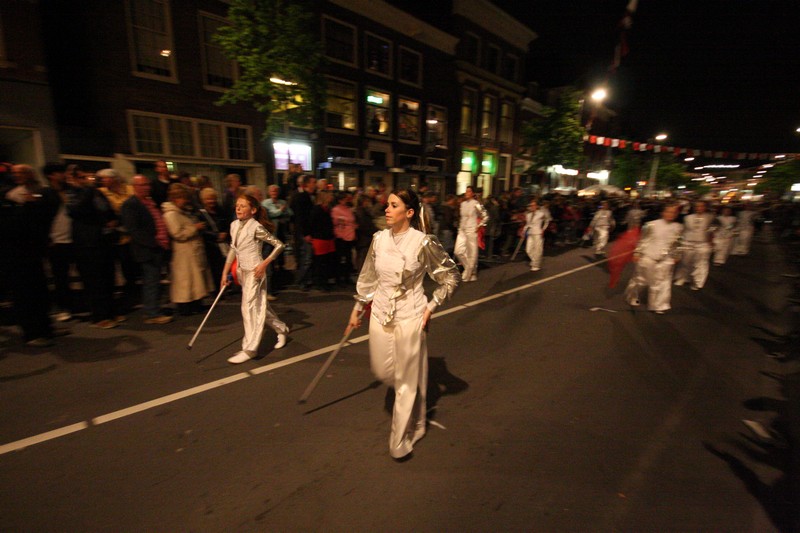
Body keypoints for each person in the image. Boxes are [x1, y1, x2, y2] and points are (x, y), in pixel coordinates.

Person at [347, 188, 459, 460]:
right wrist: (358, 307)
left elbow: (451, 277)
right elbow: (369, 276)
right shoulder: (379, 239)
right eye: (387, 204)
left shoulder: (423, 242)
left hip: (411, 315)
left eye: (393, 205)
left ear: (409, 213)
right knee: (384, 371)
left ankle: (401, 438)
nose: (386, 209)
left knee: (406, 383)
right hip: (380, 313)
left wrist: (431, 307)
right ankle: (415, 404)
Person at [221, 194, 289, 364]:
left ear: (253, 210)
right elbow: (233, 250)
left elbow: (279, 245)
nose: (238, 208)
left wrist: (264, 264)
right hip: (242, 271)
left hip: (255, 272)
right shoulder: (234, 225)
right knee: (259, 307)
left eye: (243, 206)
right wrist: (224, 272)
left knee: (248, 307)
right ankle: (281, 329)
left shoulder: (256, 227)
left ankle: (250, 349)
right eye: (237, 205)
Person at [66, 166, 121, 328]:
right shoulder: (74, 194)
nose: (88, 180)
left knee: (107, 277)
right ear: (74, 179)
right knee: (94, 281)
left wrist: (113, 220)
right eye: (82, 177)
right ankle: (99, 316)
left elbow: (108, 210)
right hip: (87, 244)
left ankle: (110, 312)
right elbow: (75, 211)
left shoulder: (98, 193)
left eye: (89, 177)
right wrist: (88, 190)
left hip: (103, 240)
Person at [120, 175, 173, 324]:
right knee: (151, 281)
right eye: (143, 185)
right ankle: (151, 314)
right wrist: (154, 243)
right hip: (147, 249)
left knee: (155, 281)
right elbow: (134, 230)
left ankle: (154, 308)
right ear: (134, 187)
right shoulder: (131, 204)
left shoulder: (149, 202)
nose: (147, 188)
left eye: (148, 185)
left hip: (158, 247)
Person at [162, 183, 213, 316]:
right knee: (185, 281)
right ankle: (185, 307)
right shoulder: (171, 215)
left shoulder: (181, 212)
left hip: (191, 251)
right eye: (184, 198)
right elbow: (177, 234)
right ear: (176, 198)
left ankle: (195, 303)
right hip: (183, 253)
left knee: (194, 279)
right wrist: (195, 228)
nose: (186, 201)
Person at [624, 203, 684, 314]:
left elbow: (678, 243)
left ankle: (658, 305)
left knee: (662, 282)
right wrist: (637, 252)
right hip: (648, 256)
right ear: (663, 212)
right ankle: (632, 295)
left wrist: (677, 255)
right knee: (642, 280)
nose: (670, 214)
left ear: (676, 214)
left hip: (666, 259)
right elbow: (642, 240)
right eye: (668, 211)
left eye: (673, 212)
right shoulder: (651, 225)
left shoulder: (678, 227)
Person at [674, 200, 715, 290]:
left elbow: (713, 229)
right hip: (688, 242)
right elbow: (683, 230)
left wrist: (711, 240)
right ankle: (683, 278)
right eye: (697, 206)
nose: (699, 208)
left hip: (703, 243)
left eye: (701, 206)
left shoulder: (710, 217)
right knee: (685, 262)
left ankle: (697, 282)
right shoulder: (688, 218)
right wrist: (679, 242)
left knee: (700, 263)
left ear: (705, 207)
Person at [198, 187, 230, 292]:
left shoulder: (220, 210)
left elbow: (227, 223)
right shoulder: (201, 213)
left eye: (213, 198)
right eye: (208, 199)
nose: (211, 201)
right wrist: (216, 236)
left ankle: (225, 286)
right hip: (210, 245)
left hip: (223, 243)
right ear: (203, 200)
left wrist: (225, 232)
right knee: (214, 269)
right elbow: (203, 230)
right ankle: (217, 290)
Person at [454, 186, 488, 282]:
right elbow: (462, 217)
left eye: (469, 191)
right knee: (458, 251)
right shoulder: (462, 204)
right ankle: (469, 269)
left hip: (472, 230)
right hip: (462, 230)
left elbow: (485, 216)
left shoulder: (476, 204)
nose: (466, 193)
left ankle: (471, 273)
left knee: (472, 252)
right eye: (466, 191)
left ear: (473, 193)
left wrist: (479, 226)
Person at [332, 191, 357, 285]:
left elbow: (351, 220)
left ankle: (347, 277)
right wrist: (343, 221)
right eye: (344, 199)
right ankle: (339, 278)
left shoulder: (348, 209)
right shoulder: (336, 209)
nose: (346, 200)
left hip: (350, 235)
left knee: (348, 257)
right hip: (341, 236)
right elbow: (335, 221)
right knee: (340, 258)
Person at [523, 198, 551, 272]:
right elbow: (527, 224)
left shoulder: (541, 213)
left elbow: (547, 220)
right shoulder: (528, 215)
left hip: (538, 232)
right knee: (528, 249)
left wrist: (543, 229)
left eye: (534, 205)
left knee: (537, 249)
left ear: (537, 206)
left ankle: (536, 265)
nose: (532, 207)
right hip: (530, 233)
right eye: (531, 205)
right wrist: (523, 231)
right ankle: (534, 261)